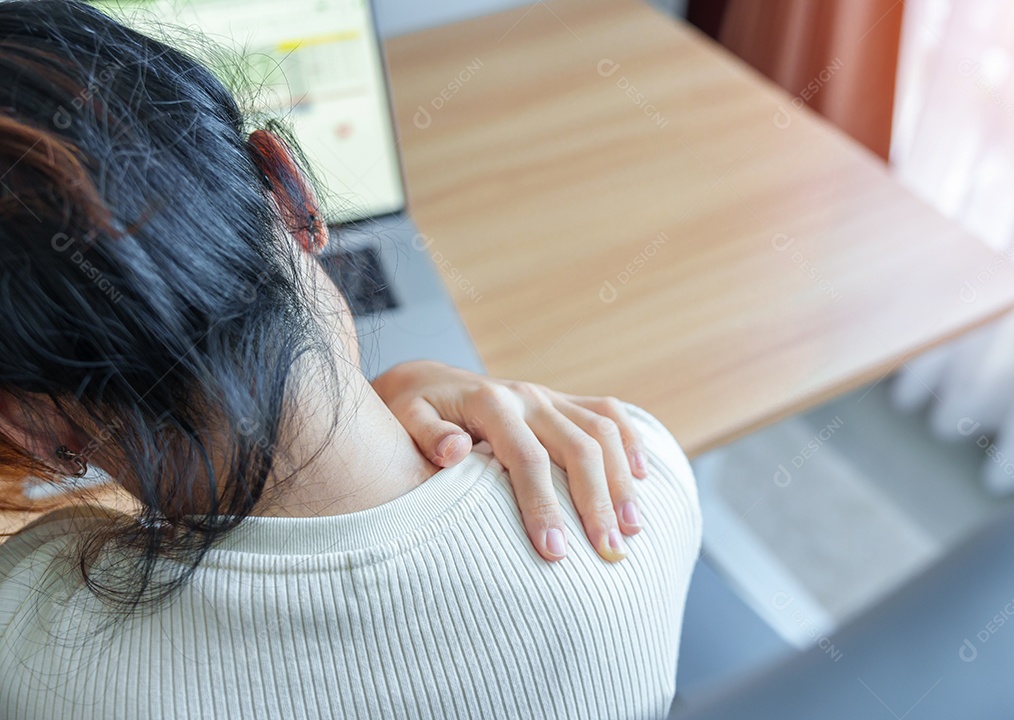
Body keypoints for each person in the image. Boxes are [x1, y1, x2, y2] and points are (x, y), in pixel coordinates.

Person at [0, 2, 702, 718]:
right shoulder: (632, 478)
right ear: (290, 190)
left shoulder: (26, 634)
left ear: (27, 422)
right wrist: (391, 392)